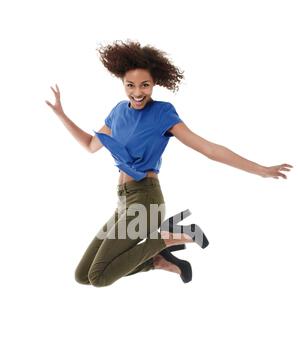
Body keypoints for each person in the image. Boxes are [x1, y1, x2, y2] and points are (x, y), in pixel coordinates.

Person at [45, 39, 293, 287]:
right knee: (83, 276)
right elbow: (90, 145)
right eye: (130, 85)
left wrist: (261, 170)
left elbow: (209, 149)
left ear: (155, 83)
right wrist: (61, 114)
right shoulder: (118, 111)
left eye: (145, 85)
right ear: (122, 83)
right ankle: (157, 260)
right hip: (123, 203)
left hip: (145, 201)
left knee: (98, 278)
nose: (138, 92)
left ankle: (168, 238)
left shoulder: (163, 113)